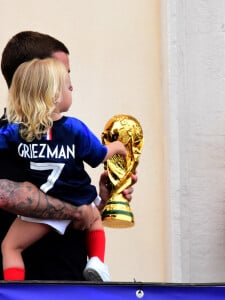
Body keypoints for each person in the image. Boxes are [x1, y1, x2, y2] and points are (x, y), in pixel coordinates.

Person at [0, 31, 137, 280]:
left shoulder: (67, 132)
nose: (70, 84)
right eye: (62, 75)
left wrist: (102, 199)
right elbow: (7, 195)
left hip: (70, 281)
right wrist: (77, 210)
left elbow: (77, 213)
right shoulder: (7, 135)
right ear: (34, 77)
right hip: (21, 288)